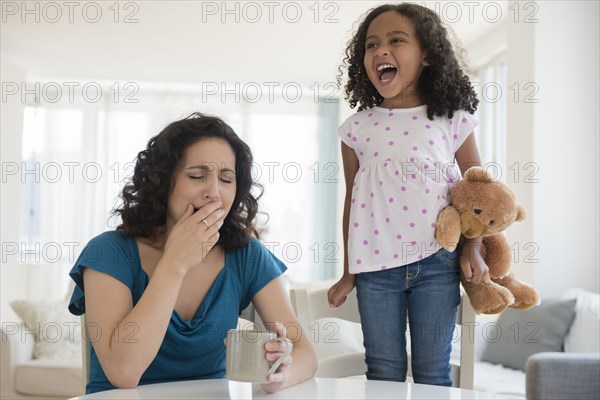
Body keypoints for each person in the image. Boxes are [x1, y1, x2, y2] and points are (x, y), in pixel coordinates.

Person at [68, 112, 317, 394]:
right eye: (197, 175)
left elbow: (305, 353)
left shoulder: (247, 255)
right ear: (162, 182)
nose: (214, 192)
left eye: (226, 178)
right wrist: (175, 262)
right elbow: (124, 373)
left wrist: (282, 372)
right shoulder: (109, 253)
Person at [327, 3, 485, 386]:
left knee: (433, 371)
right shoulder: (357, 129)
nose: (381, 51)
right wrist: (349, 270)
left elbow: (477, 190)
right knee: (382, 372)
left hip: (437, 265)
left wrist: (473, 248)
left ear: (427, 54)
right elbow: (353, 201)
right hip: (375, 272)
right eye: (371, 45)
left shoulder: (451, 119)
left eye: (396, 41)